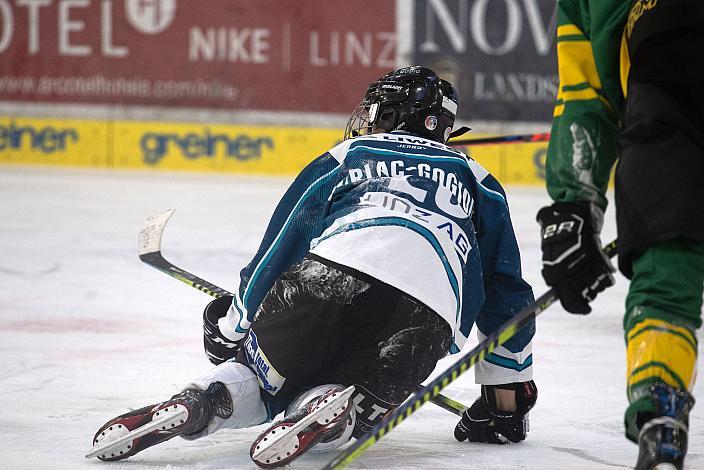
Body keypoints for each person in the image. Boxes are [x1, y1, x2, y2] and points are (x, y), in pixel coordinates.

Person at [87, 66, 537, 468]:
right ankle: (330, 406)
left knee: (259, 379)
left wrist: (233, 326)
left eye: (375, 111)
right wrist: (506, 401)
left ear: (389, 117)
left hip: (330, 277)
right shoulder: (479, 180)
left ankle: (201, 401)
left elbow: (278, 250)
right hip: (428, 316)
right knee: (359, 404)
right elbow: (507, 296)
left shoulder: (348, 157)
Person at [536, 1, 704, 469]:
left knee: (664, 275)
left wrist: (574, 203)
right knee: (664, 269)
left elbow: (584, 97)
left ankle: (661, 414)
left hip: (660, 92)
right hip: (659, 88)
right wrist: (573, 204)